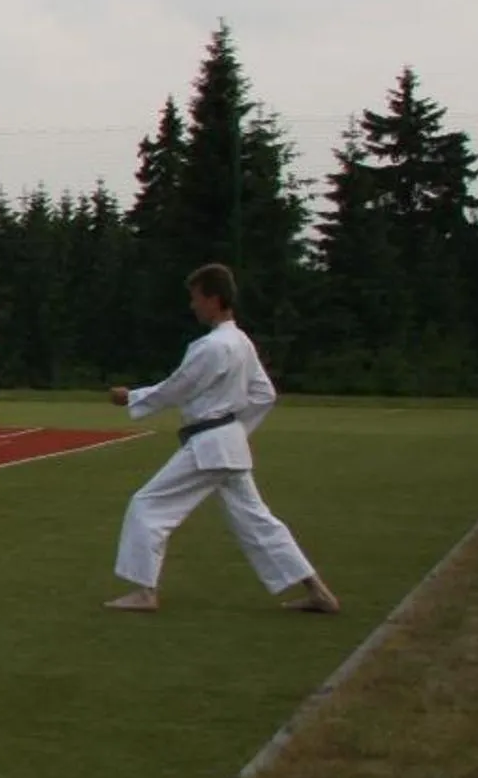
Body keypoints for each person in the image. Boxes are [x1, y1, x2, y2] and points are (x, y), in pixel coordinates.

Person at [105, 263, 341, 615]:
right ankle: (318, 592)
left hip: (210, 446)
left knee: (147, 505)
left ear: (214, 299)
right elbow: (265, 395)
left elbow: (176, 388)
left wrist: (132, 397)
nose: (192, 305)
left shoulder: (210, 346)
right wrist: (236, 430)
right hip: (227, 444)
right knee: (258, 520)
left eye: (196, 298)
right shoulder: (241, 342)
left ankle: (145, 592)